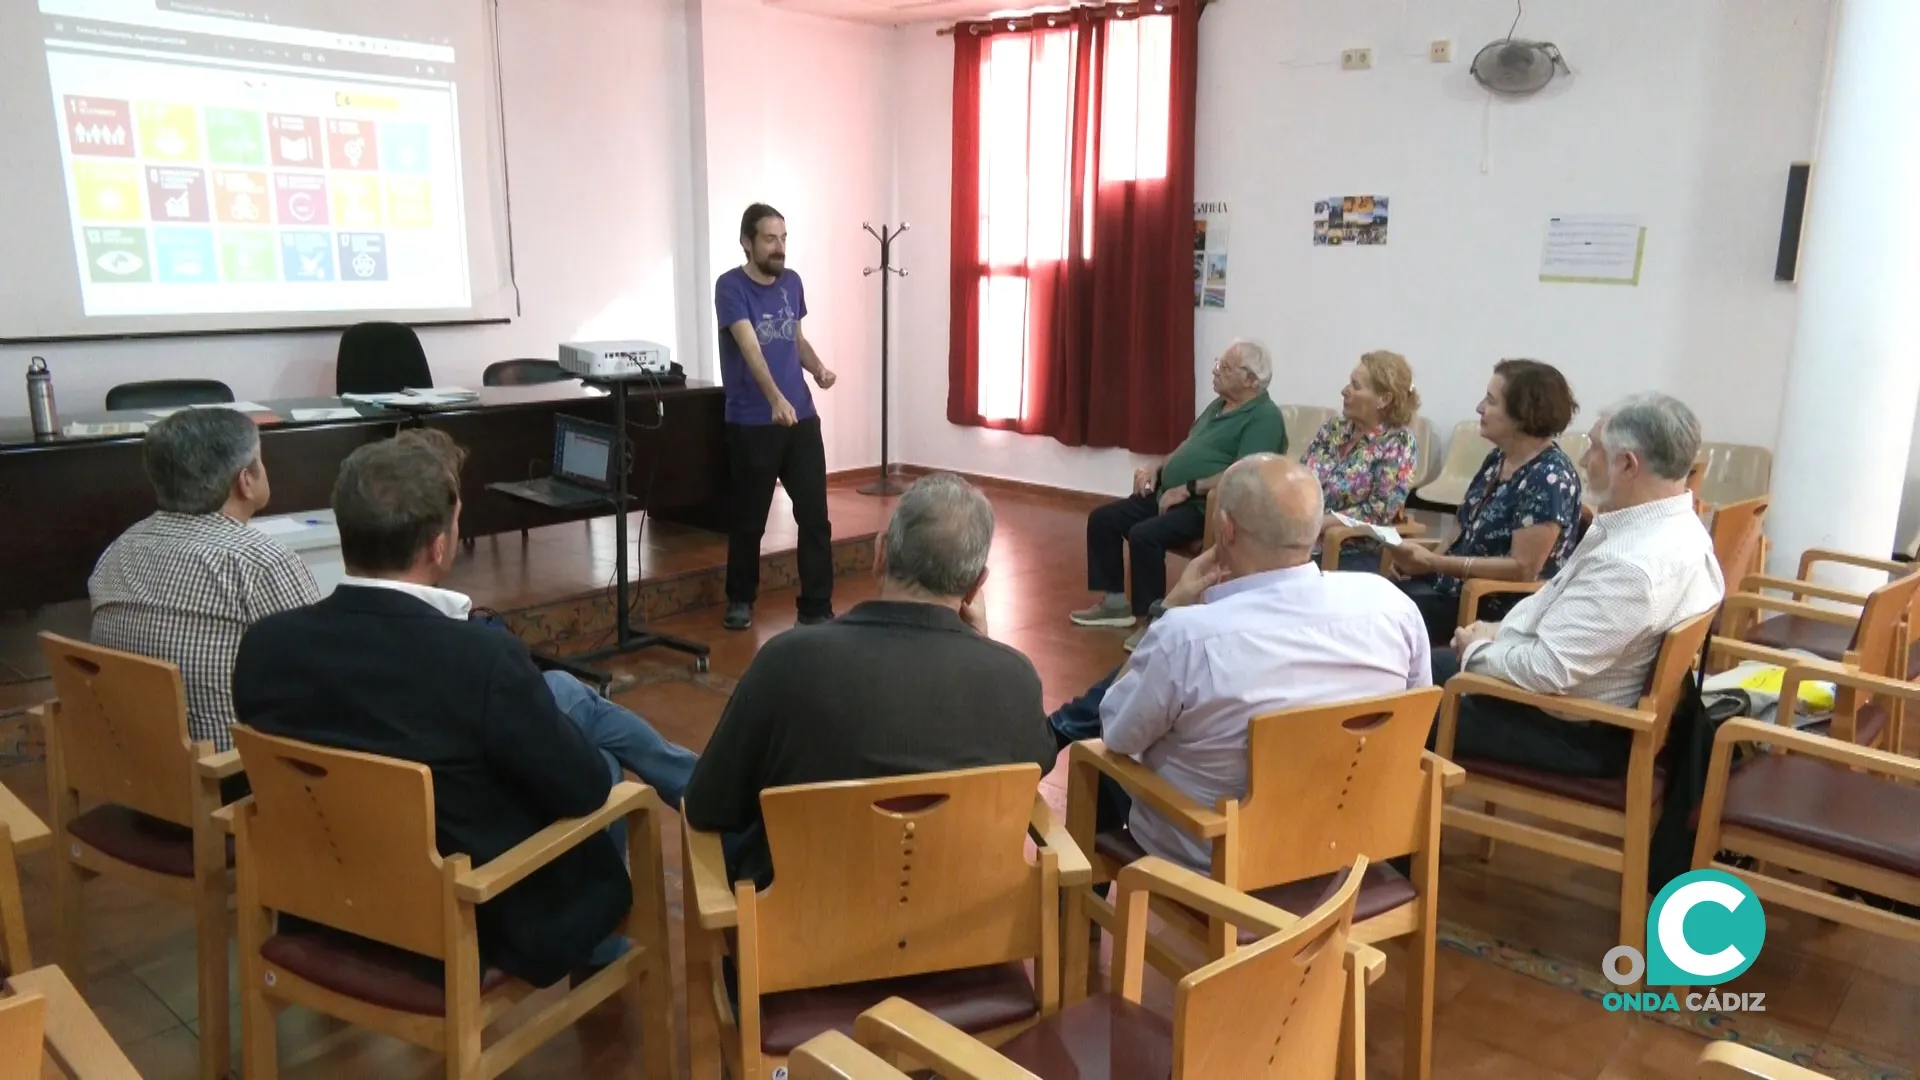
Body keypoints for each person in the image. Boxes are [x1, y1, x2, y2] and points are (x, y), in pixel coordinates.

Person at [233, 430, 698, 987]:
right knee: (601, 764)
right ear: (437, 546)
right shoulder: (480, 658)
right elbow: (583, 793)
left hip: (326, 907)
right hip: (471, 917)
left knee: (566, 700)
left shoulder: (266, 646)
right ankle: (617, 917)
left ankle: (691, 781)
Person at [1051, 455, 1430, 870]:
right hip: (1353, 844)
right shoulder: (1392, 605)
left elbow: (1117, 733)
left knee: (1099, 761)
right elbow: (1416, 712)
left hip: (1223, 857)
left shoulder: (1187, 635)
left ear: (1225, 528)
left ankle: (1083, 923)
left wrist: (1171, 606)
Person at [683, 472, 1057, 889]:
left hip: (806, 932)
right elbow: (1033, 764)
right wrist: (982, 646)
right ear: (976, 584)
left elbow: (705, 806)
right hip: (960, 926)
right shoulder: (1015, 680)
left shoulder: (785, 661)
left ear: (880, 554)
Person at [1433, 393, 1724, 778]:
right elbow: (1561, 608)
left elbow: (1547, 669)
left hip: (1570, 729)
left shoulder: (1632, 565)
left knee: (1389, 699)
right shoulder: (1680, 529)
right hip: (1567, 702)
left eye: (1595, 449)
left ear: (1627, 464)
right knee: (1405, 665)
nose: (1584, 461)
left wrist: (1477, 651)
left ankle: (1381, 825)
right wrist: (1499, 632)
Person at [89, 408, 319, 761]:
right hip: (225, 775)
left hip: (128, 763)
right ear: (246, 480)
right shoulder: (262, 562)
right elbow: (320, 679)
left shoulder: (118, 550)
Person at [1070, 339, 1288, 649]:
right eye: (1218, 363)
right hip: (1169, 493)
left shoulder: (1264, 418)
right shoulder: (1219, 405)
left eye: (1225, 368)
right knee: (1103, 519)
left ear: (1250, 380)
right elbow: (1190, 447)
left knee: (1144, 534)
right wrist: (1158, 468)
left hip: (1206, 507)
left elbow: (1246, 473)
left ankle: (1157, 621)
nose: (1215, 371)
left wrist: (1188, 488)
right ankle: (1116, 603)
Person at [1386, 359, 1584, 643]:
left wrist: (1433, 563)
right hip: (1449, 588)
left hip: (1487, 605)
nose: (1480, 408)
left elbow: (1522, 569)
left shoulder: (1550, 477)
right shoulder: (1498, 458)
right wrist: (1420, 563)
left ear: (1522, 415)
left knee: (1381, 619)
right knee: (1373, 597)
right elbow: (1461, 528)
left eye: (1491, 401)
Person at [717, 202, 837, 632]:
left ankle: (817, 606)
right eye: (770, 239)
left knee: (815, 515)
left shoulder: (792, 283)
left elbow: (795, 339)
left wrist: (818, 368)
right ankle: (740, 599)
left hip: (801, 418)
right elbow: (750, 348)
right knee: (750, 519)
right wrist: (774, 399)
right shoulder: (730, 287)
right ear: (747, 242)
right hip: (753, 421)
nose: (779, 247)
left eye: (783, 238)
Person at [1302, 350, 1422, 571]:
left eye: (1356, 386)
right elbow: (1302, 478)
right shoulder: (1334, 429)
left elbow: (1379, 511)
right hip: (1300, 539)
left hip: (1350, 548)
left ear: (1383, 399)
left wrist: (1318, 524)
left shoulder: (1398, 443)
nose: (1344, 391)